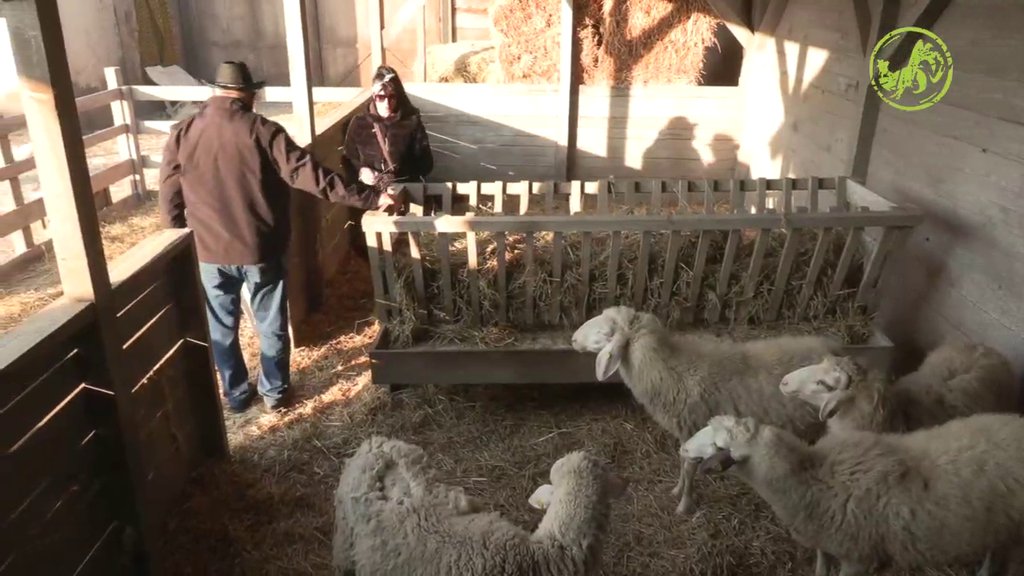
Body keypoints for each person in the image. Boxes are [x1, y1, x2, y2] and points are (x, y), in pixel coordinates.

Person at [158, 61, 399, 414]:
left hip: (209, 250)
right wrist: (371, 196)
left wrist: (177, 242)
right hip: (259, 246)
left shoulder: (182, 132)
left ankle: (237, 395)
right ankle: (274, 393)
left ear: (216, 91)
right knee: (269, 322)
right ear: (249, 95)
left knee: (222, 327)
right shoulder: (262, 130)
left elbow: (169, 196)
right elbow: (311, 175)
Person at [341, 65, 434, 189]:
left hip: (404, 194)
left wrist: (398, 176)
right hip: (370, 197)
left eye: (392, 97)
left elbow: (426, 164)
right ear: (374, 96)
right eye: (381, 97)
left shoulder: (411, 122)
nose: (387, 103)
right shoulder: (359, 123)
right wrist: (361, 172)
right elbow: (348, 159)